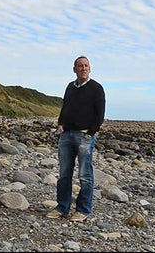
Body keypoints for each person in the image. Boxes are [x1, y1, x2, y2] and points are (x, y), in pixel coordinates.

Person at [46, 55, 106, 222]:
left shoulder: (96, 88)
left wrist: (91, 132)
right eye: (80, 66)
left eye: (86, 65)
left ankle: (83, 210)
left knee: (85, 175)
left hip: (84, 136)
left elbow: (100, 113)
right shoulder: (70, 87)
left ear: (90, 68)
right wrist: (60, 123)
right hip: (66, 135)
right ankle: (62, 207)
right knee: (64, 174)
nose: (83, 68)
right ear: (74, 69)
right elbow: (65, 106)